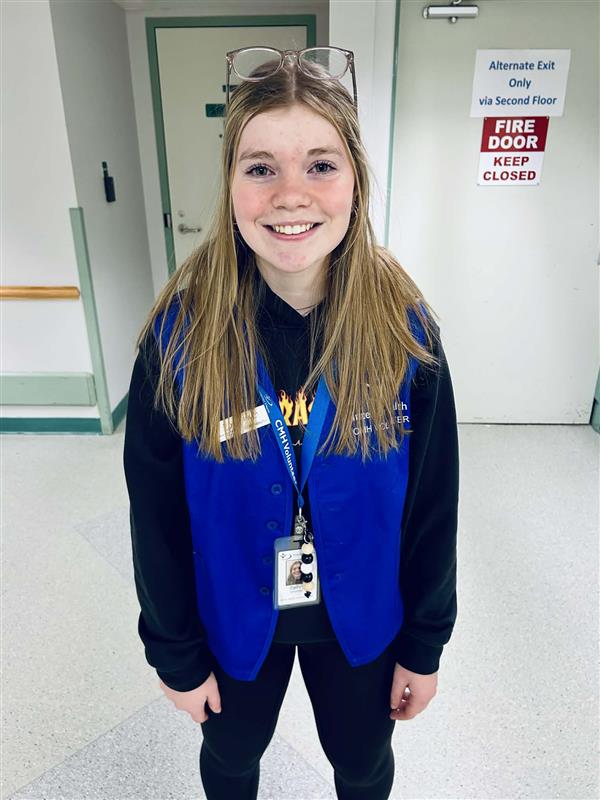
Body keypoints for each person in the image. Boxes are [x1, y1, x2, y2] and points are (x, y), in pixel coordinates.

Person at [123, 46, 459, 800]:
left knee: (363, 762)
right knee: (234, 755)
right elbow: (157, 517)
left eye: (320, 164)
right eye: (260, 167)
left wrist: (425, 643)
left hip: (362, 613)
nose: (291, 195)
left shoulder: (406, 332)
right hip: (234, 611)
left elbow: (433, 507)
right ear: (230, 185)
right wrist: (174, 653)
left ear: (355, 181)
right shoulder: (178, 337)